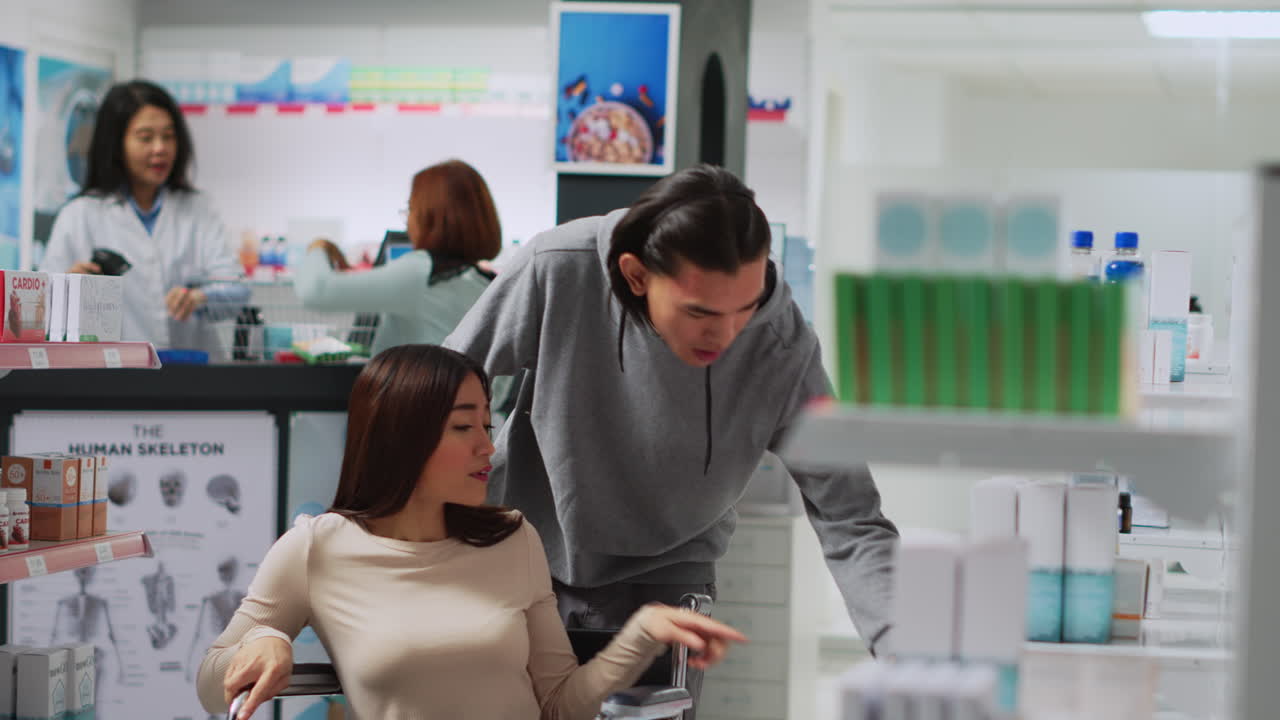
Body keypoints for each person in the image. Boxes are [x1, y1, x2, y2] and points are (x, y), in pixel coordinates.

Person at [444, 165, 899, 678]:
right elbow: (430, 393)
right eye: (701, 313)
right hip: (523, 554)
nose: (726, 335)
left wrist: (903, 646)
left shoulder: (782, 348)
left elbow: (852, 518)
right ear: (637, 275)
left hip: (668, 576)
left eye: (745, 310)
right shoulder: (558, 267)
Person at [196, 345, 746, 720]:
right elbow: (210, 684)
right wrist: (267, 638)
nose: (488, 446)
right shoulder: (317, 548)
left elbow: (557, 703)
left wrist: (643, 631)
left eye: (487, 425)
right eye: (464, 428)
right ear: (400, 436)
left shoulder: (512, 538)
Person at [40, 79, 248, 353]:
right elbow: (42, 311)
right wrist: (68, 291)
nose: (160, 148)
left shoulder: (198, 209)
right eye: (145, 137)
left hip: (191, 375)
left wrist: (201, 298)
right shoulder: (79, 215)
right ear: (116, 144)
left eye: (169, 136)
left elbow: (238, 290)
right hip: (113, 377)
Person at [294, 159, 501, 356]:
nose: (407, 220)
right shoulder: (481, 280)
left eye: (411, 209)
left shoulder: (422, 272)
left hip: (416, 392)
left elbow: (316, 291)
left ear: (430, 218)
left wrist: (318, 247)